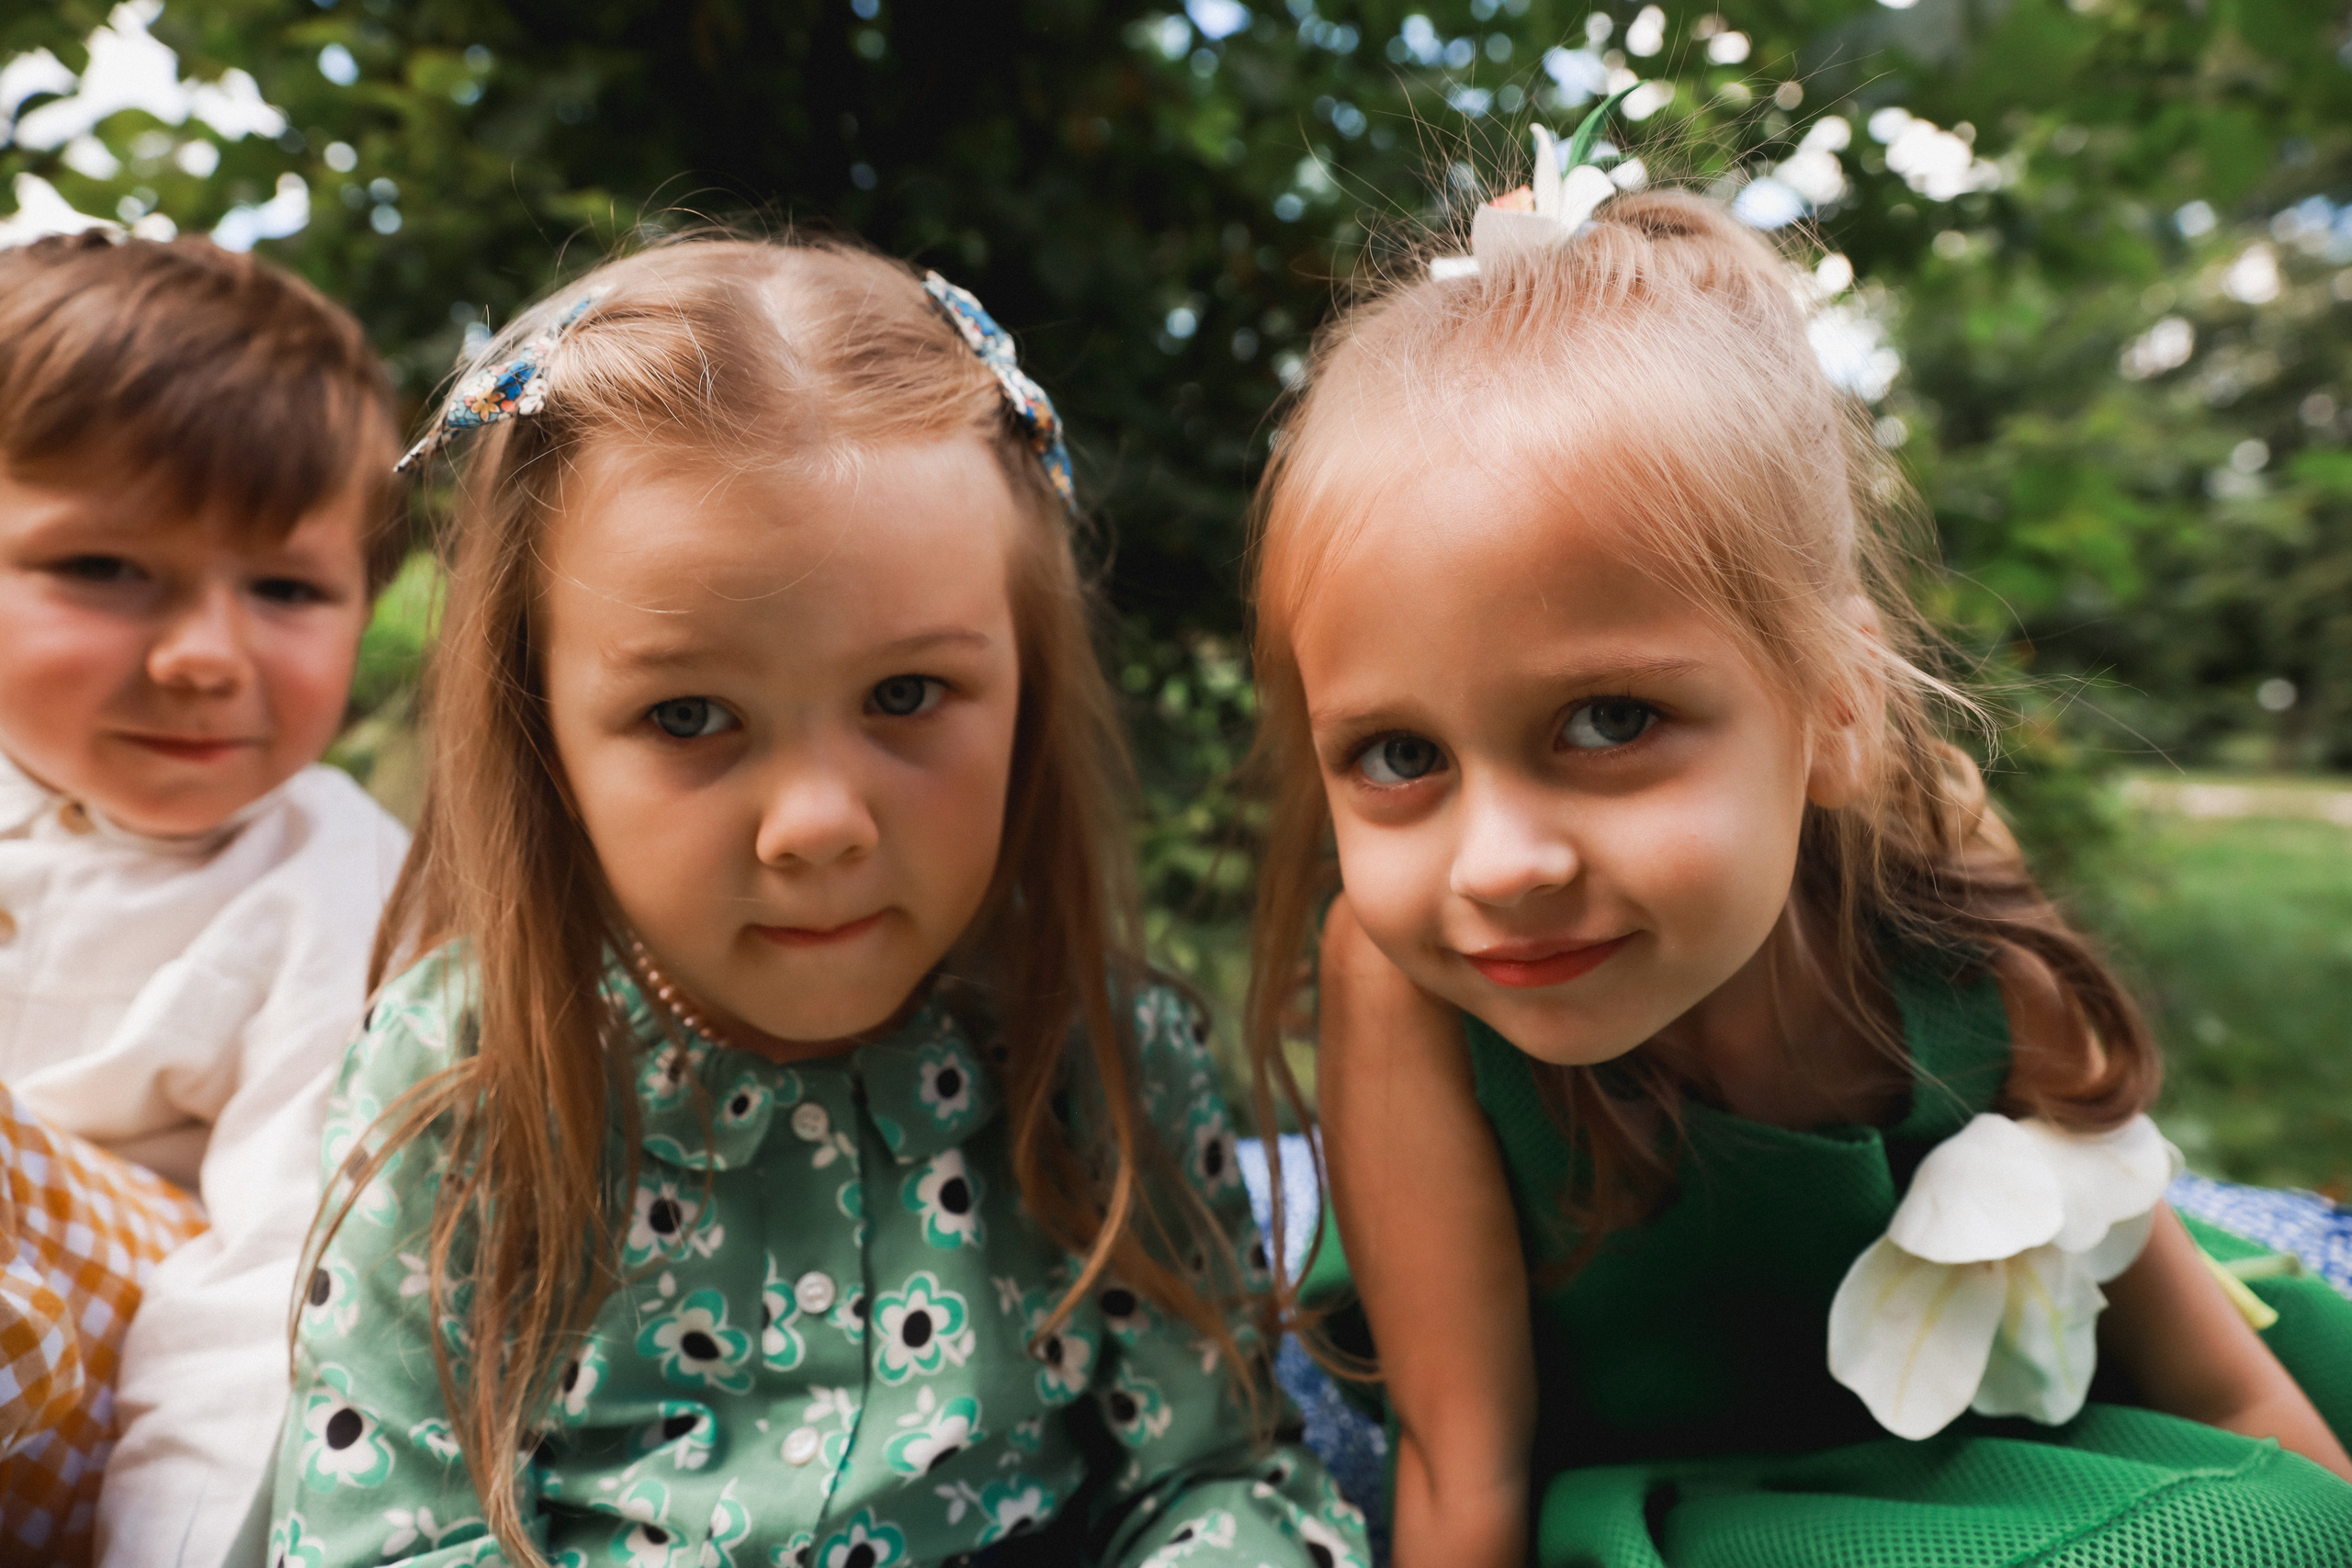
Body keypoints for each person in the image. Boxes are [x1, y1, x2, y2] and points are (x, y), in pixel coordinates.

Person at [1241, 116, 2352, 1568]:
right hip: (1681, 1511)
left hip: (1991, 1464)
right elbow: (1468, 1466)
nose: (1501, 860)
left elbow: (2206, 1366)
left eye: (1611, 721)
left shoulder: (1932, 879)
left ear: (1834, 705)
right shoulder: (1401, 983)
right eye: (1399, 757)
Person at [266, 234, 1370, 1568]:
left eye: (906, 696)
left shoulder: (1100, 1056)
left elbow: (1223, 1479)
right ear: (539, 733)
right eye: (689, 716)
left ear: (1024, 690)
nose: (818, 826)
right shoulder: (463, 1077)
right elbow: (383, 1540)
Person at [0, 231, 412, 1566]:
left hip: (130, 1412)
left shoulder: (333, 881)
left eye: (287, 588)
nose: (200, 658)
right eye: (106, 570)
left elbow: (279, 1285)